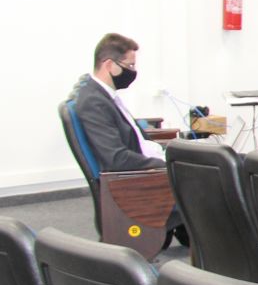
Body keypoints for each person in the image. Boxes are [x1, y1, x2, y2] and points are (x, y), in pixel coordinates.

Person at [70, 32, 184, 236]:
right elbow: (116, 158)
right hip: (135, 185)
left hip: (146, 167)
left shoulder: (105, 96)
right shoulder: (94, 103)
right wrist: (164, 165)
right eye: (129, 66)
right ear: (109, 65)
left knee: (208, 168)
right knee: (209, 182)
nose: (132, 72)